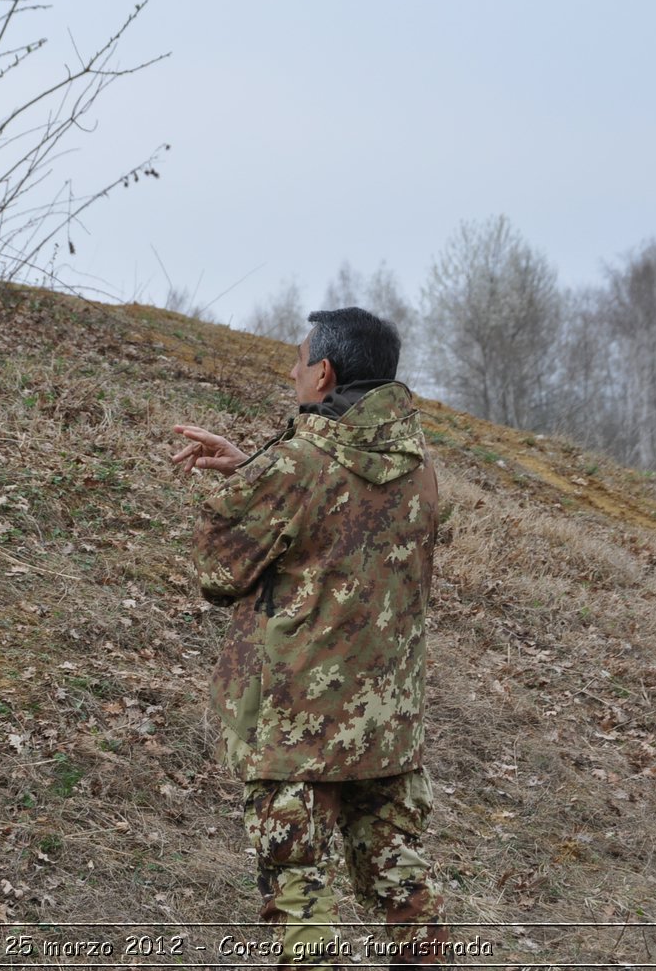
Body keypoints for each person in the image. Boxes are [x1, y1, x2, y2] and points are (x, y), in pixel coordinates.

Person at [172, 307, 450, 968]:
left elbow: (219, 570)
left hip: (297, 731)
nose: (292, 373)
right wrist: (259, 467)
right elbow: (343, 521)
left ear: (324, 373)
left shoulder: (297, 464)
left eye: (299, 362)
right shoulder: (422, 469)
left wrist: (252, 480)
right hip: (386, 730)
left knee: (301, 906)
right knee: (404, 891)